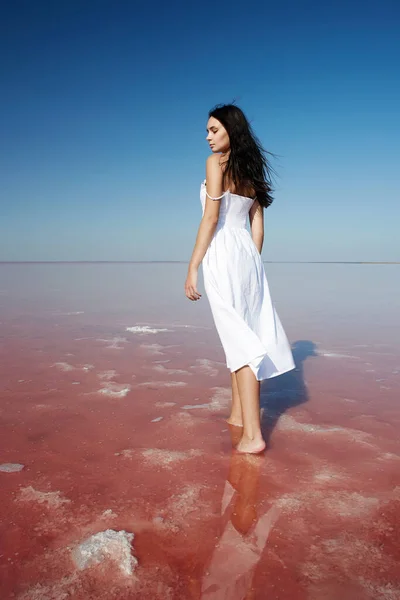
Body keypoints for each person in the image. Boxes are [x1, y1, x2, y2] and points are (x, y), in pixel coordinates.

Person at [184, 104, 295, 454]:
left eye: (214, 130)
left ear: (231, 130)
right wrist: (251, 263)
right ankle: (237, 415)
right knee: (242, 331)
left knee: (239, 340)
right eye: (207, 131)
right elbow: (257, 225)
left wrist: (192, 266)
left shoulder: (214, 164)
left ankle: (252, 435)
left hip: (223, 252)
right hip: (247, 255)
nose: (207, 137)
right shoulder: (251, 169)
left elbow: (210, 218)